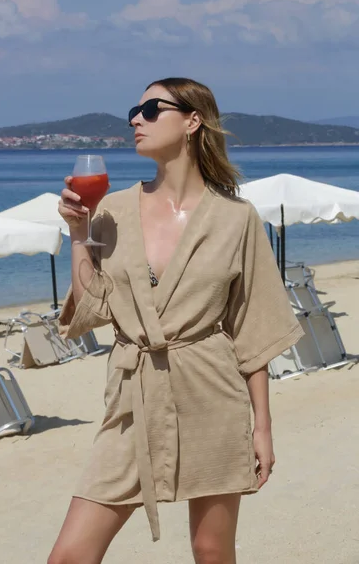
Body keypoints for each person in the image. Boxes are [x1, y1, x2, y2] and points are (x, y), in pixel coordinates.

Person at [49, 77, 304, 564]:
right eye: (134, 110)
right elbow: (92, 312)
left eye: (149, 109)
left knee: (211, 551)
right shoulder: (113, 211)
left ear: (192, 120)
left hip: (211, 391)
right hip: (132, 397)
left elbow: (254, 329)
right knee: (70, 556)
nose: (135, 120)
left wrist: (262, 428)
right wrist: (79, 232)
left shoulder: (237, 218)